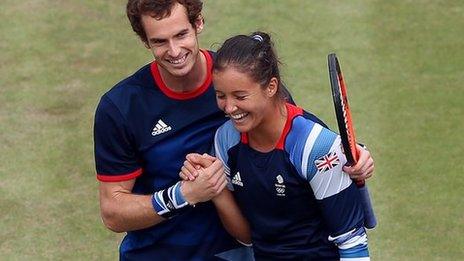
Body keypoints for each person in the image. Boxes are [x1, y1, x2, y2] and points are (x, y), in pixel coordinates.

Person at [93, 0, 374, 259]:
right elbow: (113, 214)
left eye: (181, 35)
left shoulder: (242, 75)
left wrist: (351, 157)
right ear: (145, 41)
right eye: (159, 41)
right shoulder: (120, 108)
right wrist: (184, 195)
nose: (175, 51)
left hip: (236, 253)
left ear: (198, 23)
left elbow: (301, 137)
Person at [181, 31, 373, 260]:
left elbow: (352, 243)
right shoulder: (226, 140)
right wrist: (215, 186)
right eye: (221, 95)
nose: (229, 107)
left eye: (240, 96)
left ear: (271, 87)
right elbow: (247, 237)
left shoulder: (315, 147)